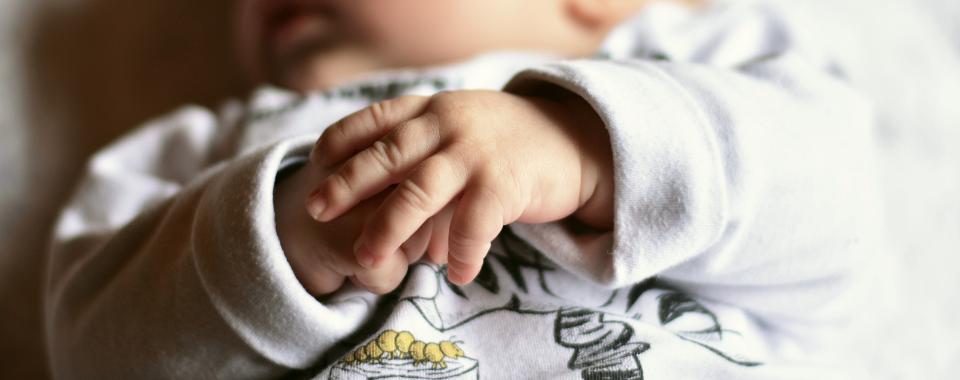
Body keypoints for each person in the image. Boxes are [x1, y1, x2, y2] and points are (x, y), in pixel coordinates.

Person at [43, 0, 960, 379]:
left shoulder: (696, 66)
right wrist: (285, 233)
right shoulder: (212, 151)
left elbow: (839, 216)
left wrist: (583, 145)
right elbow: (97, 347)